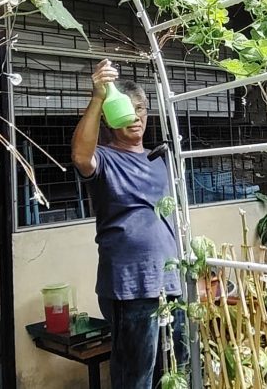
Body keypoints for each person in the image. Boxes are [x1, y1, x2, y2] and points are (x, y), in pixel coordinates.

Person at [71, 59, 188, 388]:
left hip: (172, 280)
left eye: (141, 109)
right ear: (111, 117)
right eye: (127, 109)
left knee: (176, 370)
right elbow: (81, 156)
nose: (136, 117)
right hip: (129, 284)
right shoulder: (105, 158)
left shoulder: (161, 159)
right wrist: (97, 98)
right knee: (136, 377)